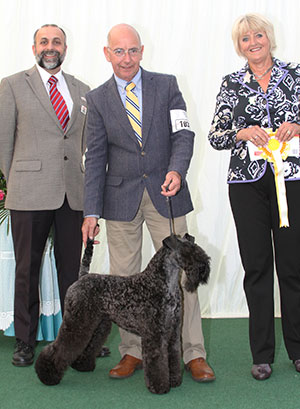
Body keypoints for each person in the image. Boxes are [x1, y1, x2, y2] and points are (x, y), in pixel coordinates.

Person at [82, 23, 215, 382]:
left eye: (132, 50)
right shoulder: (96, 99)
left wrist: (177, 170)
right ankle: (133, 352)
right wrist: (91, 211)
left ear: (142, 51)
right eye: (119, 51)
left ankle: (193, 353)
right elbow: (95, 157)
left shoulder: (167, 85)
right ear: (107, 53)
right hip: (119, 199)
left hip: (166, 193)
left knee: (182, 277)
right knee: (124, 280)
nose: (126, 58)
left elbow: (184, 133)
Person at [0, 24, 109, 367]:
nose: (50, 47)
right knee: (27, 270)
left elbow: (88, 147)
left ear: (66, 47)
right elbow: (3, 144)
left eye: (57, 42)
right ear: (34, 46)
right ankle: (25, 340)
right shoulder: (12, 85)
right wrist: (13, 180)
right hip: (28, 192)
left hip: (72, 194)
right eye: (44, 41)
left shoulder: (83, 91)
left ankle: (77, 341)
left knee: (73, 276)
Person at [208, 13, 300, 380]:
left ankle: (297, 348)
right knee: (257, 268)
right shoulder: (231, 83)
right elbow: (216, 135)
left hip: (290, 180)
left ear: (269, 38)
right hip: (246, 185)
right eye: (245, 39)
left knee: (293, 269)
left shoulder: (294, 74)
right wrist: (242, 133)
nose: (253, 42)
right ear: (239, 46)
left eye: (258, 35)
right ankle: (261, 354)